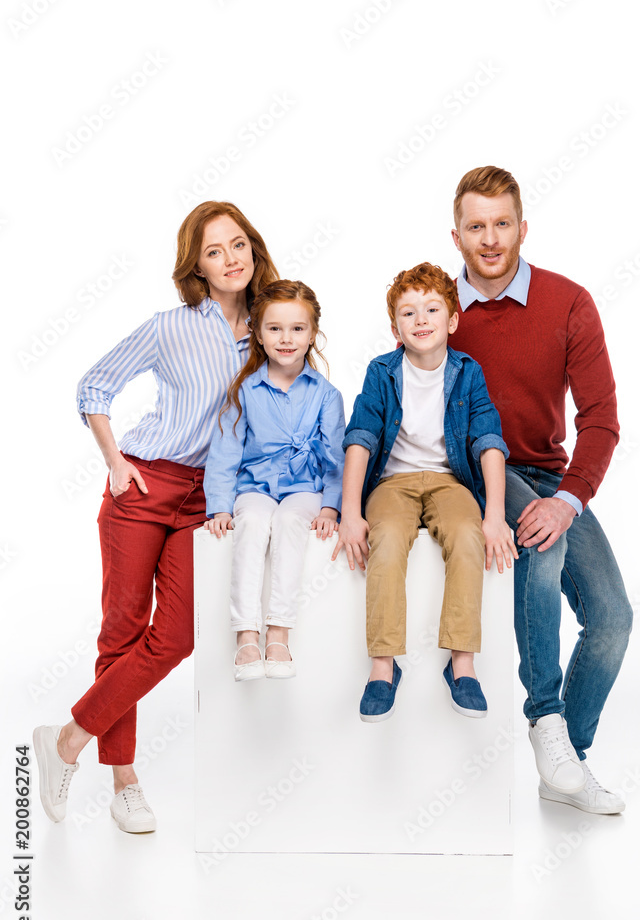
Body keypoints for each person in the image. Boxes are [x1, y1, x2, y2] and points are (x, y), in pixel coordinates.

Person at [33, 201, 279, 833]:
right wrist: (115, 461)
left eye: (238, 245)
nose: (231, 259)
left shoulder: (273, 329)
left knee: (175, 637)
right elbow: (94, 386)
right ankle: (125, 781)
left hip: (207, 498)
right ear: (196, 265)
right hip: (147, 482)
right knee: (121, 630)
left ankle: (65, 740)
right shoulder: (171, 326)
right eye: (214, 251)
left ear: (253, 249)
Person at [448, 165, 632, 814]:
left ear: (522, 228)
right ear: (456, 235)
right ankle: (543, 716)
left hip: (547, 476)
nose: (490, 238)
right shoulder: (436, 310)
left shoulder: (567, 301)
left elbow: (601, 420)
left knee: (612, 617)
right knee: (538, 541)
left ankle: (568, 769)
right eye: (476, 226)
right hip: (471, 474)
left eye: (501, 224)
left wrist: (567, 498)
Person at [333, 262, 517, 721]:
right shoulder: (382, 372)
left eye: (432, 309)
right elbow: (361, 438)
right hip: (392, 482)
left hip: (448, 480)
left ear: (452, 320)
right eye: (408, 313)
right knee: (389, 540)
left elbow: (488, 441)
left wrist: (493, 513)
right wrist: (349, 511)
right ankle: (383, 665)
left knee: (467, 534)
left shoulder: (467, 373)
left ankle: (462, 664)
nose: (421, 320)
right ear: (394, 326)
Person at [204, 279, 345, 680]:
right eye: (275, 328)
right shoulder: (244, 390)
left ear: (312, 333)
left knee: (289, 522)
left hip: (306, 489)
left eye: (297, 329)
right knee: (251, 522)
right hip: (256, 487)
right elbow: (225, 454)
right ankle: (246, 635)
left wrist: (331, 506)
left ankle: (278, 631)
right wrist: (218, 507)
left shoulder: (326, 395)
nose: (287, 338)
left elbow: (337, 458)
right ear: (258, 333)